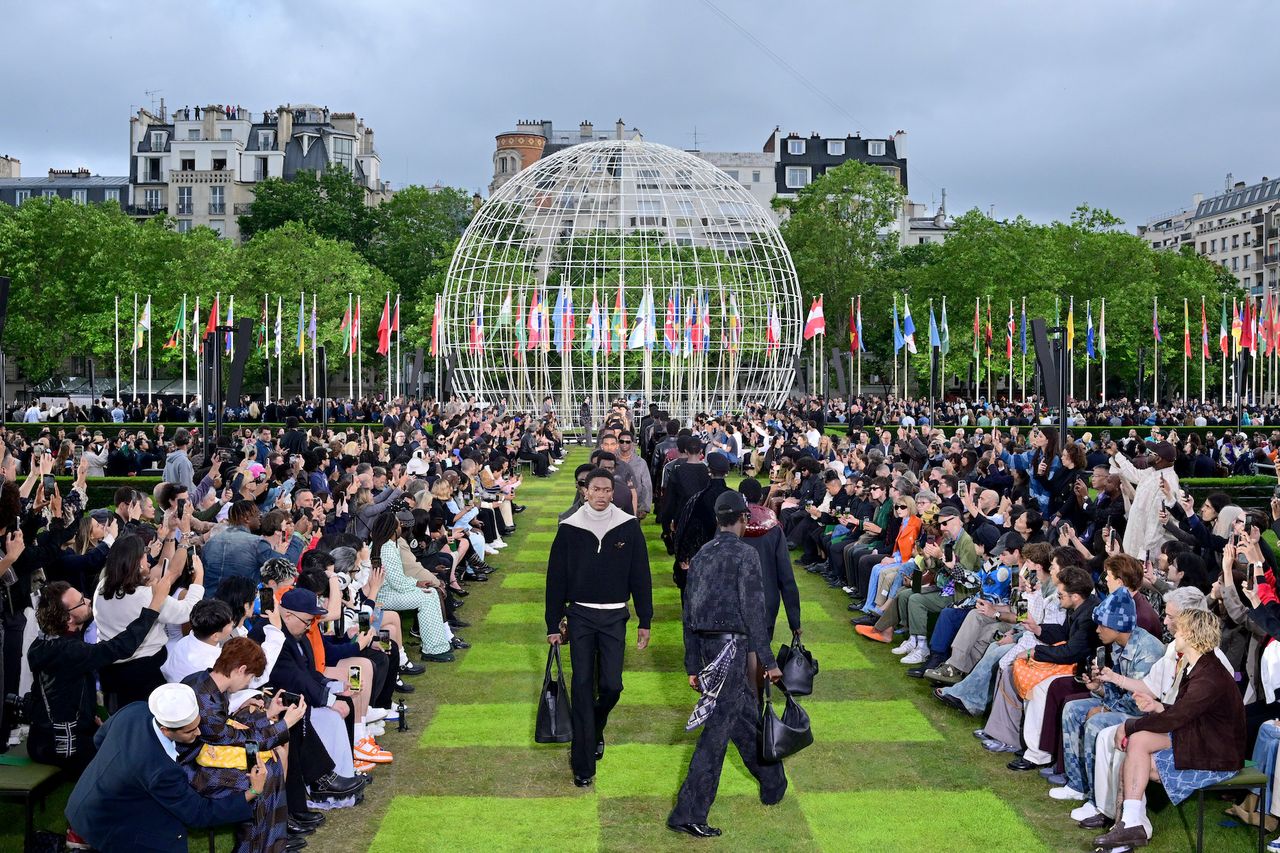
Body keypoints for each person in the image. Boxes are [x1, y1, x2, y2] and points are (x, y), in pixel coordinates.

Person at [668, 490, 786, 838]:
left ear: (719, 518)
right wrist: (768, 661)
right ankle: (687, 812)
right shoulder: (746, 555)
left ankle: (773, 781)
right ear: (743, 519)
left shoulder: (702, 555)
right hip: (731, 650)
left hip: (707, 650)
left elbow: (688, 613)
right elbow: (754, 611)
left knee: (743, 718)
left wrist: (692, 663)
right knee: (717, 733)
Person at [1093, 608, 1245, 850]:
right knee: (1138, 747)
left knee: (1136, 751)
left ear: (1193, 635)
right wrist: (1157, 706)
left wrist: (1129, 725)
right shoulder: (1199, 666)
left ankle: (1131, 826)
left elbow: (1179, 717)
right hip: (1202, 739)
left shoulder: (1209, 676)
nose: (1175, 631)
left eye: (1181, 628)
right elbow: (1184, 712)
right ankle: (1131, 824)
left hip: (1217, 755)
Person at [544, 467, 653, 787]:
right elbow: (556, 579)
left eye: (608, 490)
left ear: (613, 492)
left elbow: (641, 576)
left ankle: (594, 726)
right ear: (585, 492)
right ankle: (583, 765)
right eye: (597, 489)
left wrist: (645, 619)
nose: (603, 495)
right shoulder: (569, 528)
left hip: (615, 617)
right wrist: (553, 623)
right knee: (581, 686)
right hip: (579, 617)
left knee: (611, 686)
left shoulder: (628, 527)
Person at [65, 682, 264, 853]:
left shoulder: (134, 710)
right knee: (170, 838)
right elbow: (199, 813)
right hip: (105, 822)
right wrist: (253, 791)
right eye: (189, 731)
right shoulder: (161, 770)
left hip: (83, 799)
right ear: (165, 729)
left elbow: (99, 739)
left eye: (198, 724)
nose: (197, 733)